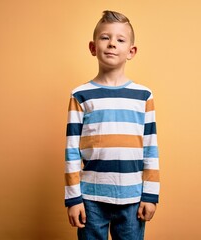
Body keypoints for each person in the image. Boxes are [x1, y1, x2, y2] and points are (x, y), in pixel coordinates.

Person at [64, 10, 160, 240]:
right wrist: (73, 198)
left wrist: (150, 195)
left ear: (131, 51)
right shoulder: (80, 95)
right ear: (92, 47)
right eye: (105, 38)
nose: (112, 44)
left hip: (133, 198)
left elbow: (151, 148)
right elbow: (71, 151)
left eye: (120, 39)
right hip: (90, 198)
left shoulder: (143, 96)